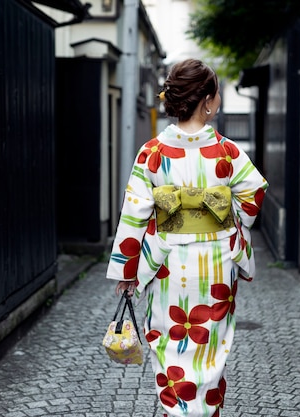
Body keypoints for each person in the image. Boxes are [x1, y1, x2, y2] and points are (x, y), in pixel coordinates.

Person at [106, 58, 268, 417]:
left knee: (169, 342)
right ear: (207, 101)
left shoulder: (153, 152)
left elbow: (133, 214)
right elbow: (253, 194)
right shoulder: (227, 152)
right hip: (216, 267)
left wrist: (128, 271)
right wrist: (228, 219)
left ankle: (175, 411)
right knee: (211, 347)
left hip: (168, 264)